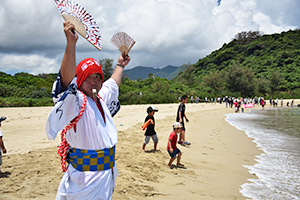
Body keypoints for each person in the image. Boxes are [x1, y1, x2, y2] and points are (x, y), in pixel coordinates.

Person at [45, 21, 130, 200]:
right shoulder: (76, 101)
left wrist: (120, 65)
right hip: (85, 180)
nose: (94, 81)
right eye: (88, 77)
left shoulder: (100, 99)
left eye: (97, 76)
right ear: (81, 79)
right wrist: (71, 43)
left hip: (105, 176)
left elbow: (113, 84)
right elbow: (67, 82)